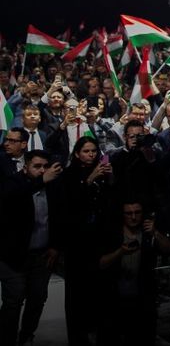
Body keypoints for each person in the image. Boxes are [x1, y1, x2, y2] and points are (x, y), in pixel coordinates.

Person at [0, 150, 62, 346]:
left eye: (45, 166)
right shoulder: (13, 183)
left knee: (37, 299)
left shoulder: (52, 185)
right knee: (13, 301)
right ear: (25, 167)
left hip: (42, 254)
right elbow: (11, 199)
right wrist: (41, 181)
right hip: (14, 255)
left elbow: (58, 217)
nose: (42, 170)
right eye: (37, 166)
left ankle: (26, 335)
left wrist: (55, 246)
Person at [96, 198, 170, 346]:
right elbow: (101, 263)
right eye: (129, 213)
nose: (133, 217)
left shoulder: (147, 233)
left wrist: (155, 233)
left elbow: (168, 248)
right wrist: (120, 252)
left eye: (137, 212)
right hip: (114, 300)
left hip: (142, 300)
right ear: (122, 214)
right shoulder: (113, 234)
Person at [59, 136, 110, 346]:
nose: (91, 155)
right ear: (77, 153)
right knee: (77, 293)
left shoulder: (103, 172)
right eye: (86, 151)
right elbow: (69, 204)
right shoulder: (69, 174)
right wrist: (89, 180)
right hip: (77, 242)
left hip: (99, 238)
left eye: (93, 151)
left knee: (98, 290)